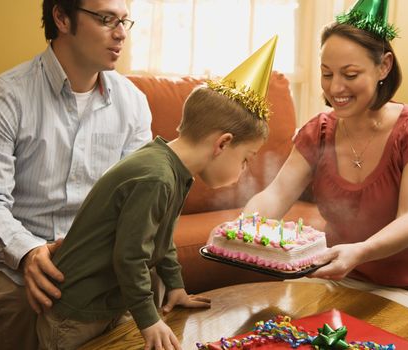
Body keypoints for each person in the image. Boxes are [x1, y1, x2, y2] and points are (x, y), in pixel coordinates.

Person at [35, 36, 278, 350]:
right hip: (78, 314)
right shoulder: (157, 178)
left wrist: (175, 286)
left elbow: (161, 241)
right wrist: (149, 320)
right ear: (222, 144)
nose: (245, 170)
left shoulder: (172, 169)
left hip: (108, 303)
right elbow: (131, 257)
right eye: (246, 158)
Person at [0, 0, 152, 349]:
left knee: (139, 289)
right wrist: (28, 253)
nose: (120, 35)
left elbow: (132, 202)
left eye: (124, 22)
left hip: (82, 247)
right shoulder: (5, 97)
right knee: (24, 303)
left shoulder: (133, 103)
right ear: (61, 17)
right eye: (106, 19)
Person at [243, 0, 408, 341]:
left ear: (384, 66)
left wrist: (360, 251)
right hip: (334, 280)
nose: (335, 87)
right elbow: (277, 192)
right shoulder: (318, 131)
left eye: (350, 74)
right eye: (327, 73)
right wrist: (243, 226)